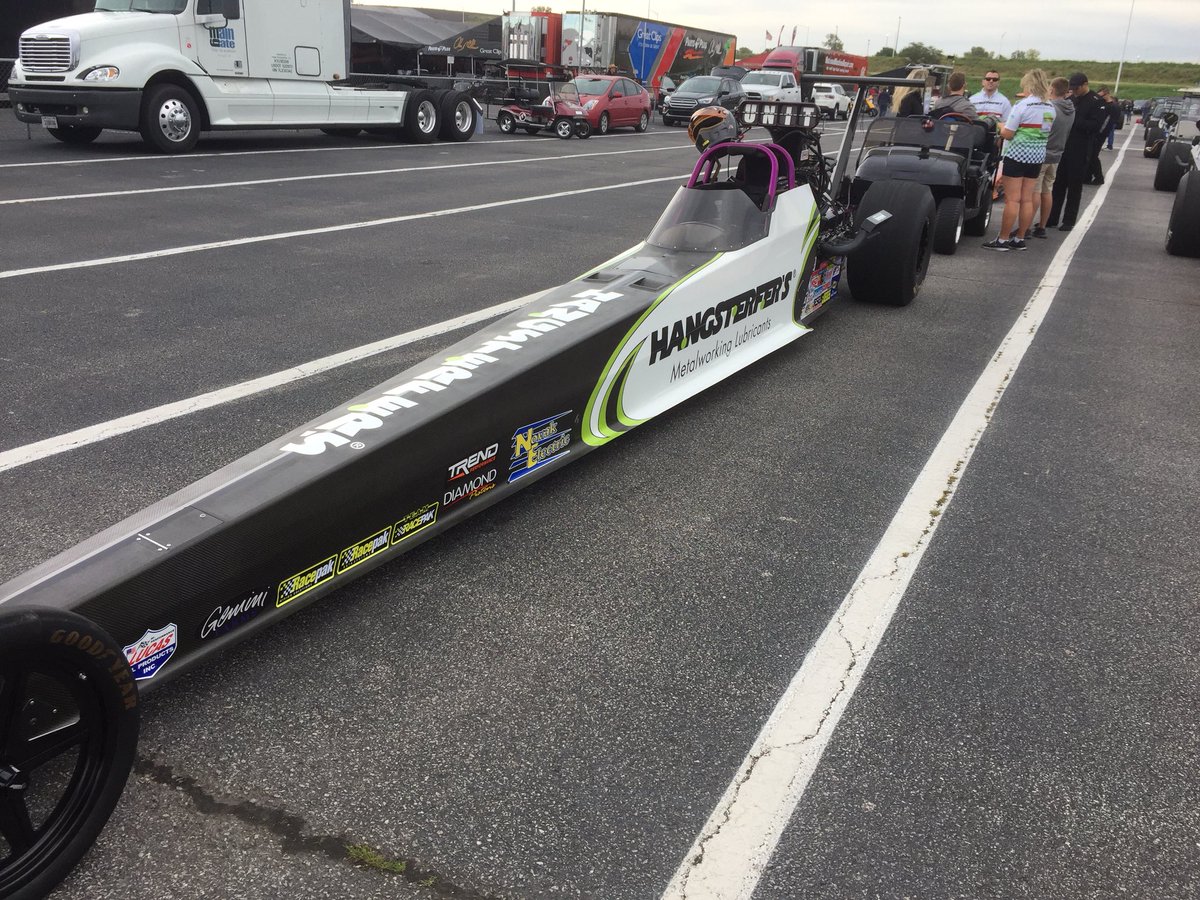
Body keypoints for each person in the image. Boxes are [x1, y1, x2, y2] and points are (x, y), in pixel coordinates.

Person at [983, 68, 1056, 251]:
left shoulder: (1022, 106)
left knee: (1012, 200)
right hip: (1037, 155)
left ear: (1028, 85)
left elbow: (1008, 133)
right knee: (1027, 199)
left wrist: (1000, 126)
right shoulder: (1050, 107)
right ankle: (1020, 237)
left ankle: (1003, 239)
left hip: (1017, 155)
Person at [1046, 73, 1110, 230]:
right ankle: (1052, 217)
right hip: (1065, 146)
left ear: (1085, 84)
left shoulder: (1096, 102)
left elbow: (1096, 126)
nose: (1074, 91)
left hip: (1081, 147)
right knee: (1058, 184)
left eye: (1076, 88)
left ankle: (1069, 220)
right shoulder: (1071, 100)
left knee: (1075, 186)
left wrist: (1075, 121)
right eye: (1071, 88)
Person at [1029, 76, 1075, 239]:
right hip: (1057, 153)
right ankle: (1042, 226)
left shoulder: (1050, 108)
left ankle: (1026, 227)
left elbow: (1044, 130)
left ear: (1052, 90)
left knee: (1034, 191)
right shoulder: (1071, 108)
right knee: (1047, 190)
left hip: (1043, 152)